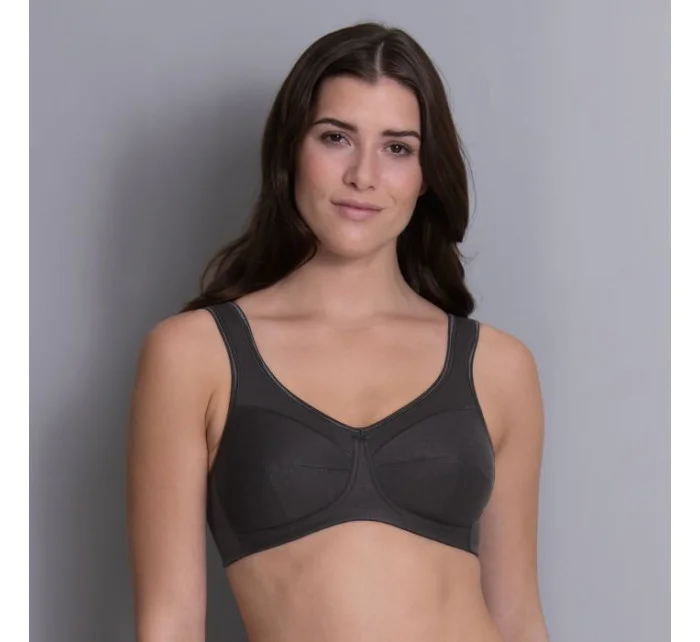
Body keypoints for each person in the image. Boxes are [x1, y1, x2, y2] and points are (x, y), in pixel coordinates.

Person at [126, 21, 550, 642]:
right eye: (336, 138)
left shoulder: (499, 367)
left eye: (397, 148)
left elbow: (518, 617)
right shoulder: (193, 355)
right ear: (291, 151)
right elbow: (170, 623)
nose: (363, 175)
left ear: (426, 175)